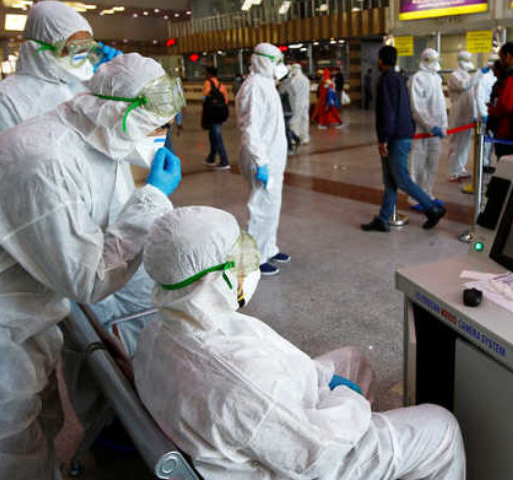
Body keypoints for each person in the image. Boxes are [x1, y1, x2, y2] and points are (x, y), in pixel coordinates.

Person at [0, 54, 184, 480]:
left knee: (33, 428)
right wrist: (153, 197)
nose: (161, 137)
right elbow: (87, 276)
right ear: (117, 111)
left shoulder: (96, 140)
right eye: (155, 125)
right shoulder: (45, 160)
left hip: (17, 303)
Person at [135, 206, 465, 479]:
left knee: (352, 360)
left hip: (262, 420)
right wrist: (345, 398)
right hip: (301, 459)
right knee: (442, 427)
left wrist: (326, 386)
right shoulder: (241, 383)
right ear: (212, 279)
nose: (246, 265)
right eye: (237, 259)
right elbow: (316, 451)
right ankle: (367, 455)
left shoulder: (163, 326)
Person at [0, 0, 95, 146]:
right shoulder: (3, 99)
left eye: (85, 48)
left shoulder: (83, 87)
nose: (79, 56)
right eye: (70, 49)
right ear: (37, 47)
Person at [362, 46, 446, 232]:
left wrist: (384, 139)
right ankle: (383, 219)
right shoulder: (400, 78)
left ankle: (432, 208)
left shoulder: (386, 80)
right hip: (403, 133)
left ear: (381, 61)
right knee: (390, 180)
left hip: (394, 137)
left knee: (401, 179)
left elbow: (388, 113)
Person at [237, 43, 291, 276]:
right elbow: (251, 128)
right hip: (262, 159)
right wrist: (261, 161)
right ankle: (254, 258)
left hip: (273, 158)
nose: (279, 66)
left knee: (271, 206)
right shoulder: (254, 87)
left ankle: (268, 248)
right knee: (260, 208)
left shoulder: (267, 85)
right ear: (263, 61)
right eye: (276, 61)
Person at [409, 48, 447, 210]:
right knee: (418, 164)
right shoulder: (417, 79)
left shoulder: (437, 78)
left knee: (432, 163)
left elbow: (441, 106)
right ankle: (415, 198)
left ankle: (428, 193)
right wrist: (431, 125)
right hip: (421, 130)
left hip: (436, 131)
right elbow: (417, 107)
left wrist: (443, 126)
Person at [488, 43, 513, 159]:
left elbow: (505, 106)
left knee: (506, 161)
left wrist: (491, 110)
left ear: (508, 56)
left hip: (508, 130)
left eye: (501, 57)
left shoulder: (511, 78)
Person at [447, 50, 477, 181]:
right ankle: (453, 172)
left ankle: (460, 169)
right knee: (456, 143)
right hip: (457, 114)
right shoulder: (455, 75)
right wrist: (479, 76)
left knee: (465, 144)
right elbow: (464, 86)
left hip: (467, 114)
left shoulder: (467, 75)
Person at [472, 52, 498, 170]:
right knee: (482, 142)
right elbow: (479, 97)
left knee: (489, 142)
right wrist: (483, 114)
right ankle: (481, 164)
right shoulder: (484, 77)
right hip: (482, 117)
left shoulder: (495, 77)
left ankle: (485, 163)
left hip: (491, 115)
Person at [202, 66, 230, 169]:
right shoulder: (222, 85)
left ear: (209, 74)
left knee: (217, 136)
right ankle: (211, 158)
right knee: (213, 135)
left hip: (212, 114)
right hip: (221, 113)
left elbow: (204, 97)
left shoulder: (208, 83)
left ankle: (224, 161)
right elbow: (226, 100)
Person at [285, 62, 311, 143]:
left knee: (294, 119)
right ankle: (305, 137)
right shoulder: (305, 79)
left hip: (296, 102)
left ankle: (294, 137)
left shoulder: (294, 80)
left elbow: (288, 91)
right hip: (306, 102)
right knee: (304, 119)